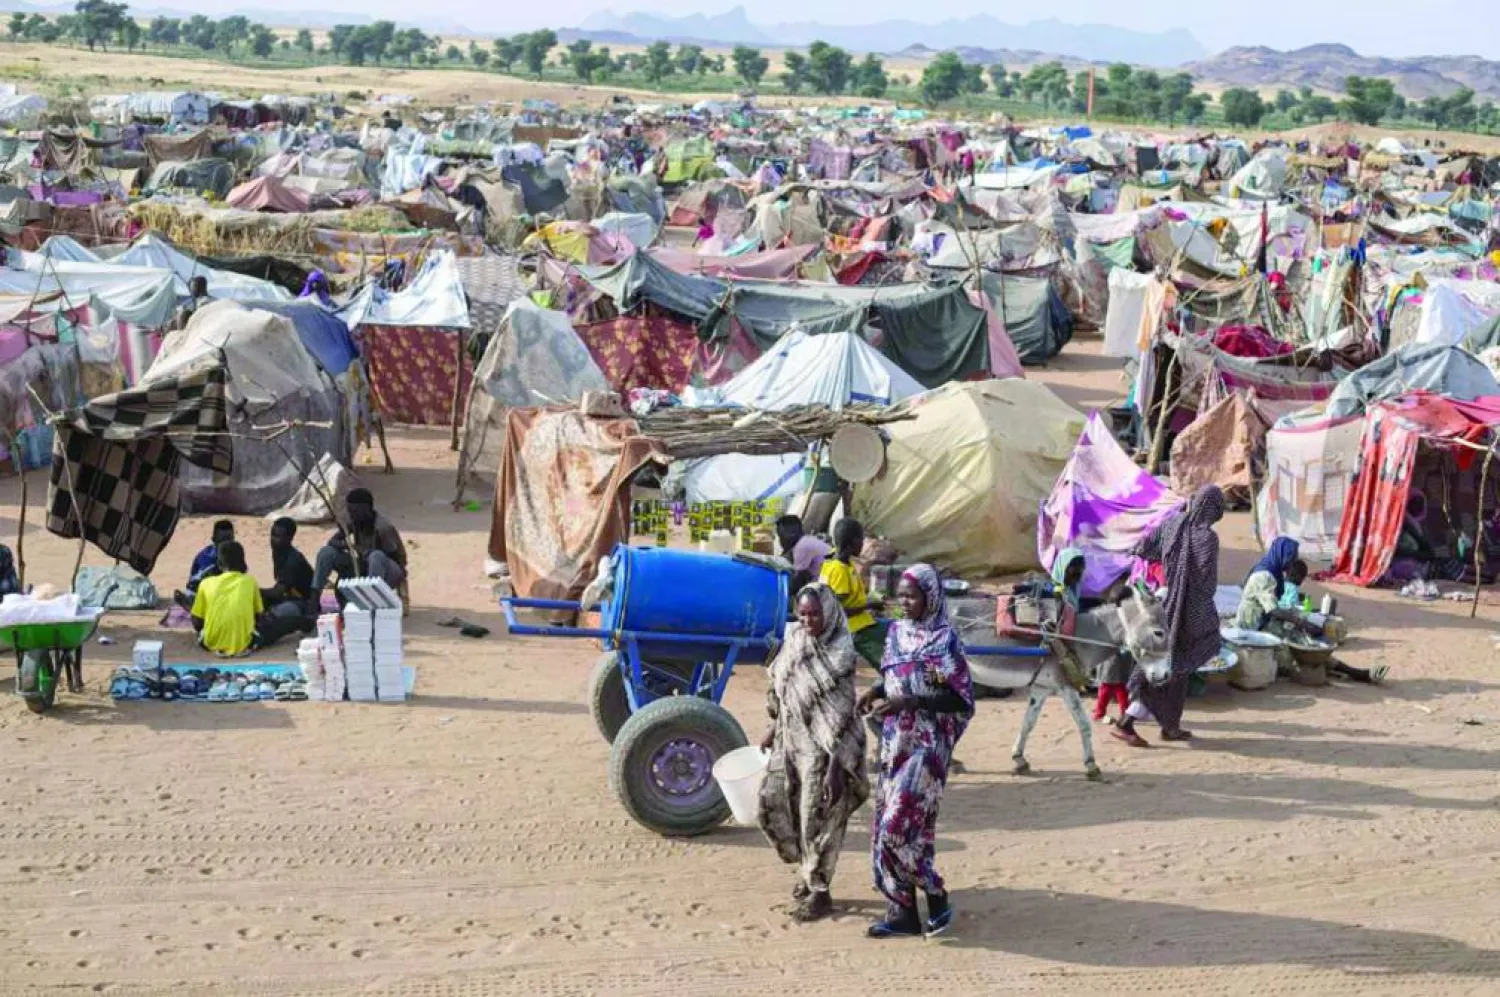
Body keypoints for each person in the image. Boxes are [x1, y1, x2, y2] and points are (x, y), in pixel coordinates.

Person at [858, 564, 974, 939]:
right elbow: (896, 673)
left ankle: (936, 893)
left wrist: (907, 701)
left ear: (931, 597)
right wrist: (877, 691)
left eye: (912, 596)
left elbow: (957, 697)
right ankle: (903, 914)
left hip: (927, 747)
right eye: (901, 596)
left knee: (896, 828)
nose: (904, 603)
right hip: (895, 744)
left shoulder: (944, 640)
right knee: (908, 831)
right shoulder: (895, 633)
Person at [757, 583, 870, 923]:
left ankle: (821, 891)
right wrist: (773, 728)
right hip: (791, 742)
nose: (808, 620)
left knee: (817, 819)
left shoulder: (839, 654)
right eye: (803, 613)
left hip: (824, 754)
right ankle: (807, 874)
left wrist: (837, 768)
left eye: (815, 614)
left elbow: (842, 715)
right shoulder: (795, 641)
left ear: (830, 613)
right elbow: (783, 686)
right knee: (777, 806)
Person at [1114, 485, 1224, 748]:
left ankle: (1170, 725)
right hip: (1189, 610)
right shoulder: (1207, 538)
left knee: (1177, 667)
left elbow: (1144, 547)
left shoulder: (1172, 524)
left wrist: (1168, 569)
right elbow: (1207, 582)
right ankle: (1127, 722)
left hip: (1165, 602)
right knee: (1173, 665)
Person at [1238, 553, 1386, 685]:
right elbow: (1273, 609)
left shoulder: (1273, 575)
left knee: (1306, 645)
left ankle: (1354, 672)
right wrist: (1300, 622)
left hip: (1266, 624)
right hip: (1254, 628)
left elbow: (1277, 608)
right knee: (1293, 653)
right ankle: (1354, 673)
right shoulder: (1264, 577)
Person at [312, 489, 408, 599]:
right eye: (349, 511)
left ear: (367, 509)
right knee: (327, 552)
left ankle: (371, 599)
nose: (351, 515)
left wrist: (365, 552)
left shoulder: (383, 528)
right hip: (364, 565)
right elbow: (332, 541)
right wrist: (346, 545)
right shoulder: (354, 521)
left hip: (386, 571)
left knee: (376, 556)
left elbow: (396, 558)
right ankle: (314, 597)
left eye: (355, 512)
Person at [819, 518, 886, 670]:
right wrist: (869, 605)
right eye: (862, 540)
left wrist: (869, 596)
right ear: (854, 542)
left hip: (861, 622)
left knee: (892, 628)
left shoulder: (836, 560)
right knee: (887, 657)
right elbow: (837, 611)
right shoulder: (840, 571)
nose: (864, 544)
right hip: (854, 629)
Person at [191, 542, 264, 657]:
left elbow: (196, 621)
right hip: (245, 644)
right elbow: (259, 615)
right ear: (243, 561)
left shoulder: (206, 583)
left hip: (211, 642)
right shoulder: (250, 582)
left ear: (219, 563)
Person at [255, 518, 316, 646]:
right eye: (272, 534)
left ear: (290, 538)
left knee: (271, 619)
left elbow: (278, 592)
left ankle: (304, 621)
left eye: (277, 536)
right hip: (289, 596)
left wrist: (253, 590)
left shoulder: (293, 561)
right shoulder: (279, 551)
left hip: (303, 603)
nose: (272, 540)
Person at [175, 520, 234, 611]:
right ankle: (192, 605)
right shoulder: (206, 557)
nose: (226, 543)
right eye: (222, 540)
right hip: (200, 591)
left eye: (229, 539)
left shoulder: (235, 553)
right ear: (213, 539)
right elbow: (197, 583)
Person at [776, 515, 831, 595]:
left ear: (791, 534)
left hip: (827, 589)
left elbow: (797, 582)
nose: (780, 542)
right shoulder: (805, 540)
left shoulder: (802, 547)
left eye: (781, 537)